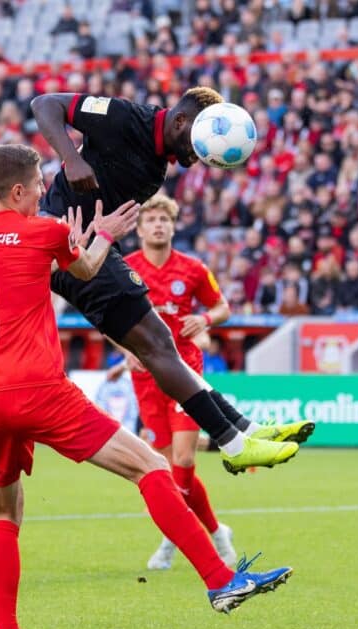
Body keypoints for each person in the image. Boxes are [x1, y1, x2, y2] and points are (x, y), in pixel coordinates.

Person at [0, 145, 293, 629]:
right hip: (39, 389)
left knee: (4, 513)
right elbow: (86, 270)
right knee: (150, 467)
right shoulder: (42, 230)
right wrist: (104, 231)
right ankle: (221, 581)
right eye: (39, 183)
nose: (44, 190)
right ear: (17, 190)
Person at [30, 87, 312, 474]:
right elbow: (45, 104)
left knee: (163, 346)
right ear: (181, 121)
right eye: (195, 149)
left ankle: (244, 430)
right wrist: (72, 159)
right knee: (160, 345)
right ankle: (234, 442)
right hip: (69, 243)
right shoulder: (124, 117)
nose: (195, 161)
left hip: (92, 248)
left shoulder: (156, 167)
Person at [120, 194, 239, 569]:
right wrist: (124, 348)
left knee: (185, 457)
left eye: (164, 220)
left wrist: (205, 319)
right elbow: (104, 315)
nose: (158, 225)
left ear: (172, 227)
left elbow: (222, 307)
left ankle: (171, 541)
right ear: (139, 229)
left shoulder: (192, 268)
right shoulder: (124, 269)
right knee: (169, 466)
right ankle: (218, 532)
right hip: (145, 377)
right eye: (151, 219)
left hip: (184, 370)